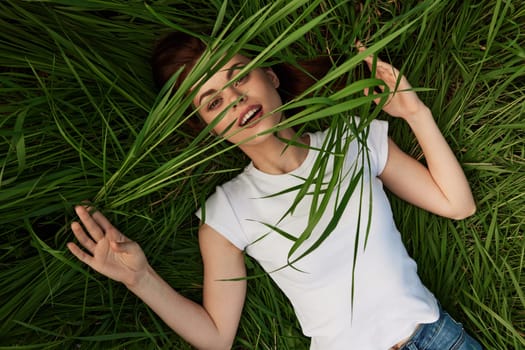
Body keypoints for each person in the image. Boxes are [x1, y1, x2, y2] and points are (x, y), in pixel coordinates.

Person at [67, 32, 483, 350]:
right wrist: (141, 279)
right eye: (213, 103)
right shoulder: (226, 212)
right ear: (206, 126)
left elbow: (457, 205)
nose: (235, 101)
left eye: (238, 77)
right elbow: (216, 337)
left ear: (269, 75)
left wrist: (415, 112)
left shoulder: (353, 139)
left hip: (439, 339)